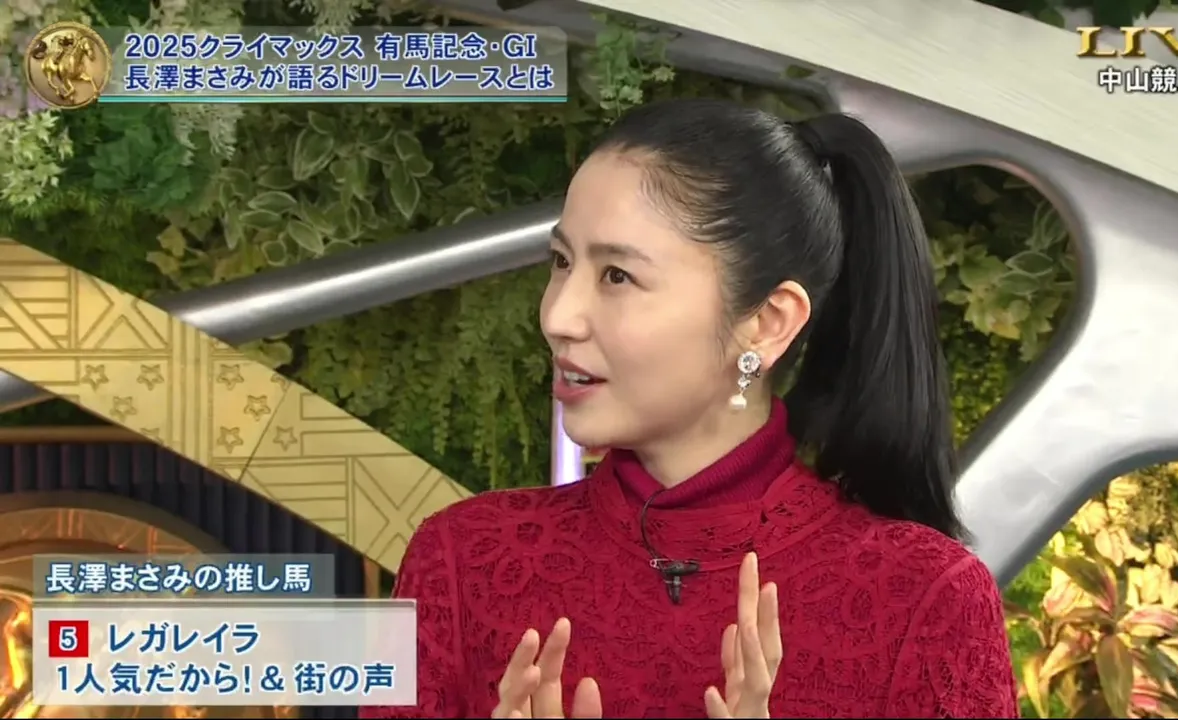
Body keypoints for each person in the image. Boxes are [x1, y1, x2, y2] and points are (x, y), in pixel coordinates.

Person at [361, 98, 1019, 719]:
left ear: (767, 321)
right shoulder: (459, 561)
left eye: (617, 275)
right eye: (560, 261)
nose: (558, 315)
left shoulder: (927, 600)